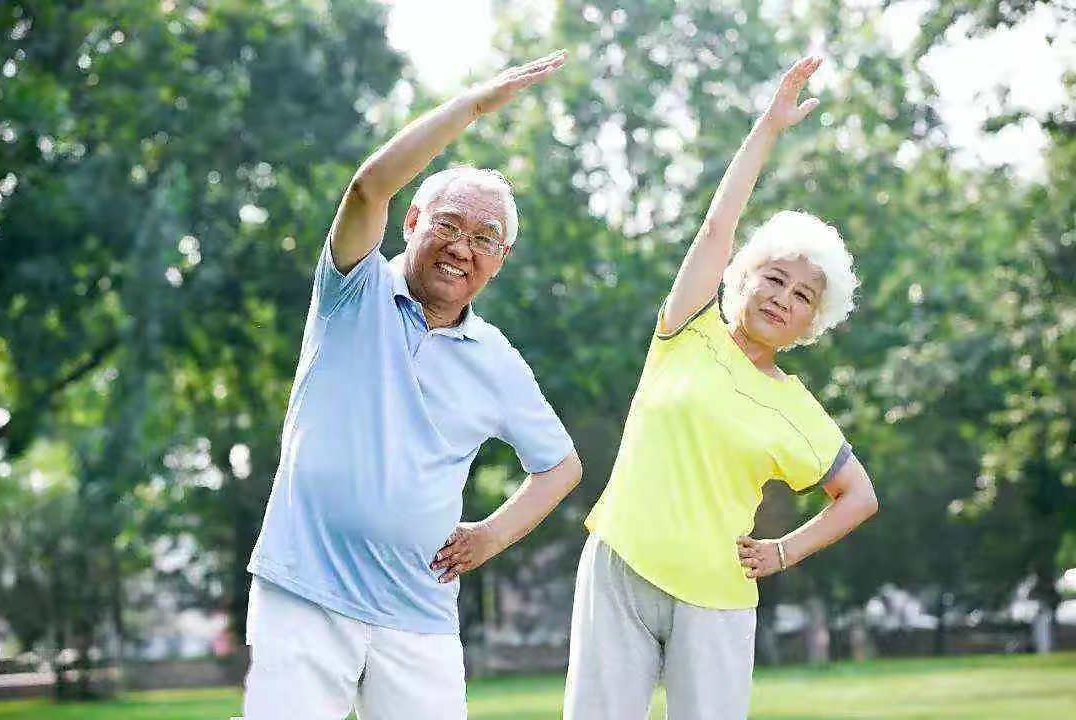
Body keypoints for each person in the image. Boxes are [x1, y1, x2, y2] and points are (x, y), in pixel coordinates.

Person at [241, 50, 582, 720]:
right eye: (448, 224)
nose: (462, 246)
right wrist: (473, 108)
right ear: (413, 224)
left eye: (484, 238)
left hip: (418, 612)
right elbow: (368, 187)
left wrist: (490, 535)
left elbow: (561, 467)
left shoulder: (497, 359)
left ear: (500, 261)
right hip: (303, 592)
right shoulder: (352, 289)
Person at [563, 56, 880, 720]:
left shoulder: (798, 410)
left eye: (802, 297)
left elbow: (859, 497)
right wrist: (768, 126)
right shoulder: (686, 328)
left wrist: (784, 550)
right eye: (775, 278)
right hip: (620, 561)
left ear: (810, 322)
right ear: (746, 276)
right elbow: (717, 224)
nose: (782, 298)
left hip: (716, 596)